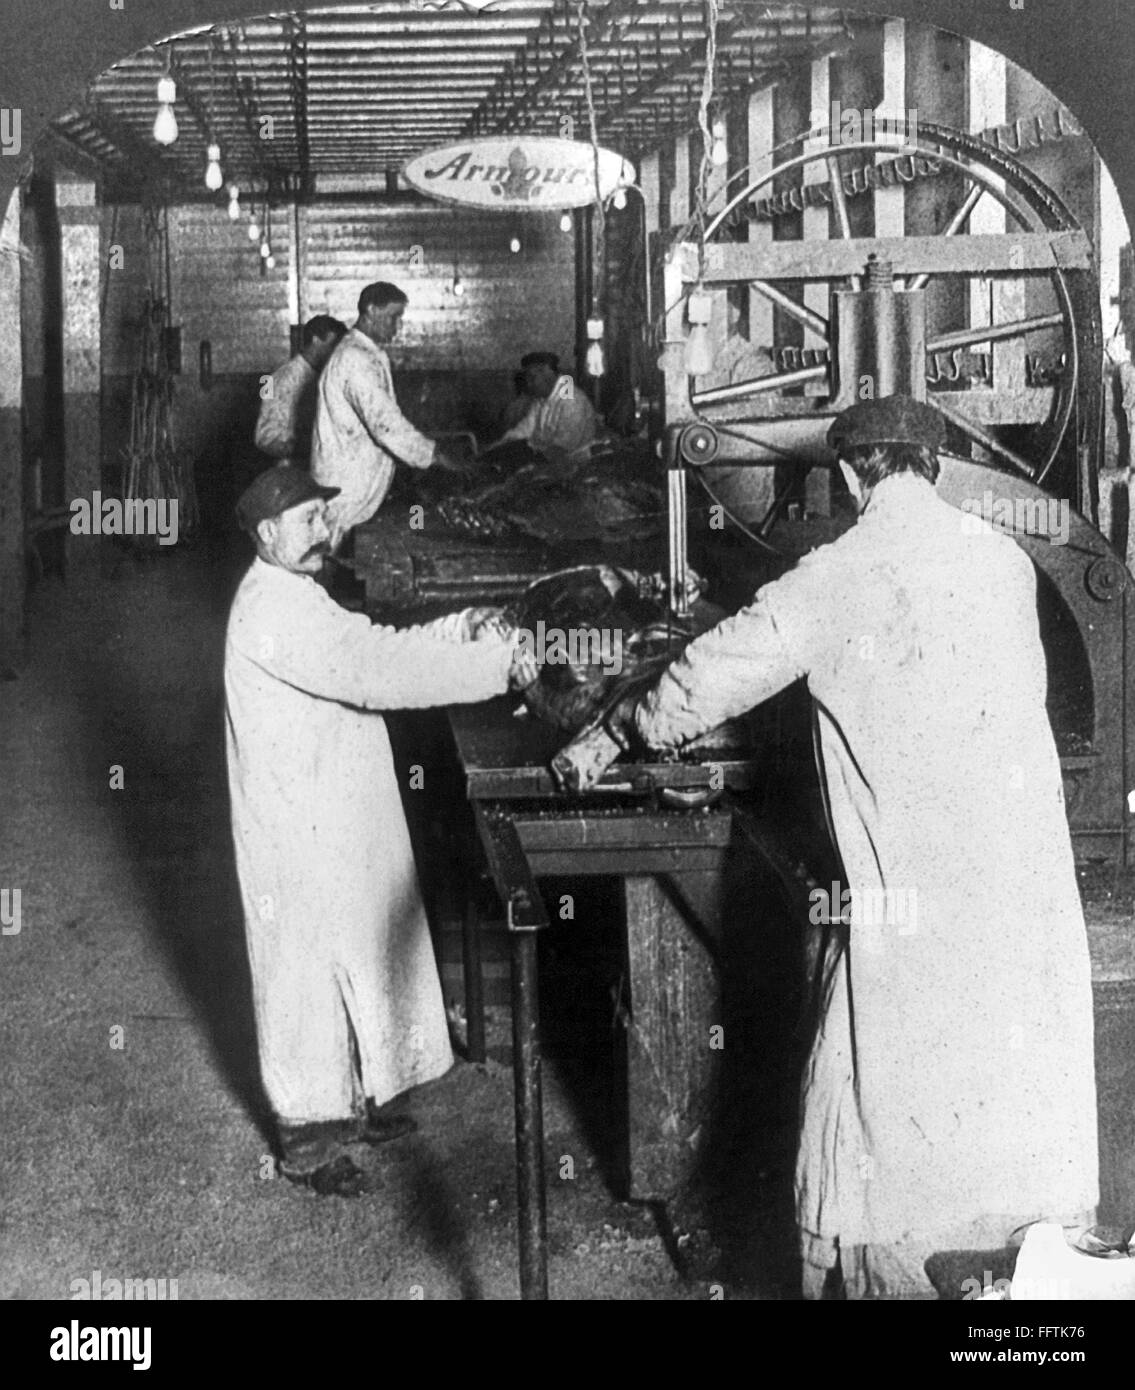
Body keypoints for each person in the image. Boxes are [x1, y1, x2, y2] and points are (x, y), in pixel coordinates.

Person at [632, 395, 1099, 1299]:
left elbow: (713, 674)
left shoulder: (838, 573)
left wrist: (638, 721)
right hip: (1018, 892)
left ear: (851, 476)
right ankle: (1019, 1309)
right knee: (1009, 1113)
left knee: (880, 1116)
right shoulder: (1003, 561)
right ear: (932, 468)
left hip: (911, 904)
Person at [224, 464, 535, 1196]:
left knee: (360, 942)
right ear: (267, 534)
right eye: (307, 522)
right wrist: (500, 665)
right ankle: (308, 1136)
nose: (324, 532)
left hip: (332, 800)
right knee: (305, 972)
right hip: (295, 820)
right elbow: (375, 674)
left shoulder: (298, 593)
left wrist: (462, 628)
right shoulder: (271, 609)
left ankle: (358, 1096)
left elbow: (373, 644)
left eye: (323, 517)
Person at [311, 281, 467, 549]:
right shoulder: (355, 358)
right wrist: (436, 455)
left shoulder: (364, 353)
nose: (398, 326)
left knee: (330, 554)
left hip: (351, 484)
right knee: (326, 555)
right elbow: (386, 426)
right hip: (345, 488)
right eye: (393, 317)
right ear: (371, 310)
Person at [254, 315, 347, 467]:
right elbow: (265, 437)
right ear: (316, 340)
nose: (335, 352)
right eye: (332, 345)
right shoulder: (280, 379)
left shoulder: (319, 376)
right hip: (288, 468)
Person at [482, 351, 598, 470]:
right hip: (542, 459)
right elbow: (525, 429)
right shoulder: (541, 399)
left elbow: (562, 448)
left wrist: (527, 462)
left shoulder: (572, 400)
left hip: (570, 466)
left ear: (548, 375)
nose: (528, 384)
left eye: (532, 378)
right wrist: (500, 445)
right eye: (527, 378)